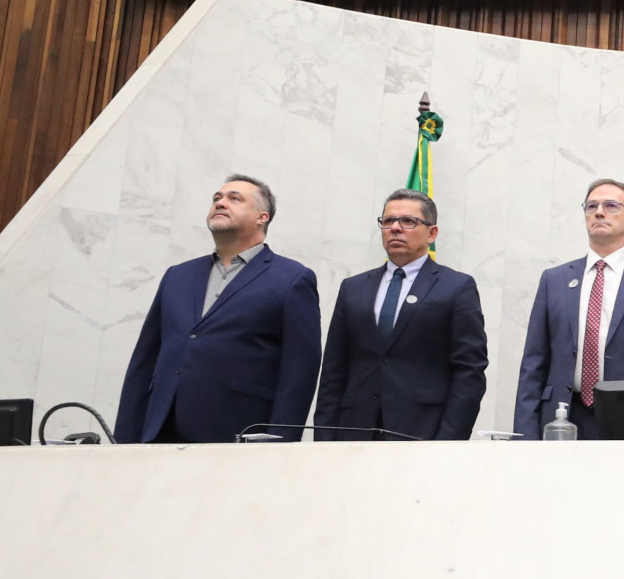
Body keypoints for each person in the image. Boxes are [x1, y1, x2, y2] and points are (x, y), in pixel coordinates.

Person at [116, 175, 320, 444]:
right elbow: (144, 361)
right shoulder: (177, 276)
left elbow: (299, 371)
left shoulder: (292, 278)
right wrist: (126, 437)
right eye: (217, 198)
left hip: (237, 433)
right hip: (160, 430)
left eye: (234, 199)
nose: (221, 203)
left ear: (262, 217)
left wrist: (278, 443)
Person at [513, 178, 624, 439]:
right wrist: (525, 434)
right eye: (591, 206)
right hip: (561, 418)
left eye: (611, 206)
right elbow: (534, 363)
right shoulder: (555, 280)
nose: (599, 211)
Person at [313, 190, 487, 441]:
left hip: (423, 432)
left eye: (408, 221)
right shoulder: (353, 288)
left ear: (432, 233)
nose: (395, 228)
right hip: (354, 431)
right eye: (387, 221)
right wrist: (324, 438)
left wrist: (449, 440)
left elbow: (470, 370)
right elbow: (333, 370)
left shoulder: (456, 287)